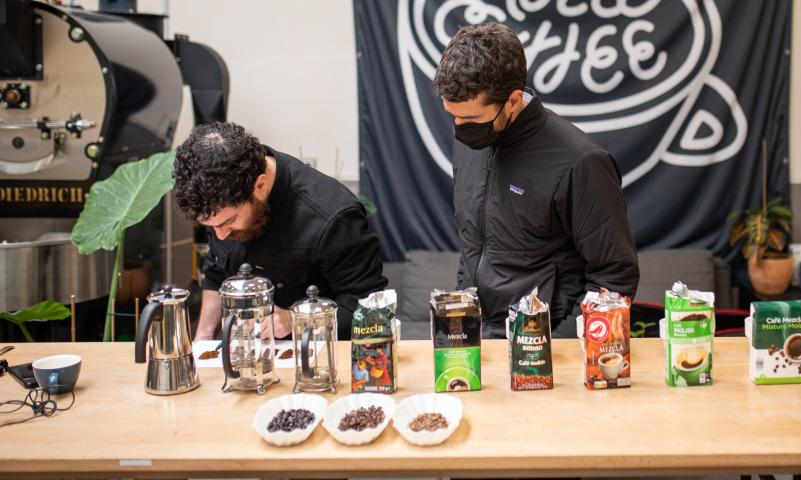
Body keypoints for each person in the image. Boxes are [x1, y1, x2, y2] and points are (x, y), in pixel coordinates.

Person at [433, 21, 639, 338]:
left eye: (471, 118)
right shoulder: (468, 144)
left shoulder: (580, 162)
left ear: (513, 101)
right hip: (476, 338)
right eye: (454, 116)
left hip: (544, 344)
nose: (460, 127)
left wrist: (565, 347)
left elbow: (615, 275)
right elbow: (473, 244)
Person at [173, 122, 387, 340]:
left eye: (229, 221)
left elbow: (371, 310)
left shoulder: (331, 216)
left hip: (317, 358)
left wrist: (297, 321)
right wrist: (203, 338)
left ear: (260, 186)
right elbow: (216, 273)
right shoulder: (218, 197)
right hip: (246, 352)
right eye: (211, 227)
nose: (220, 235)